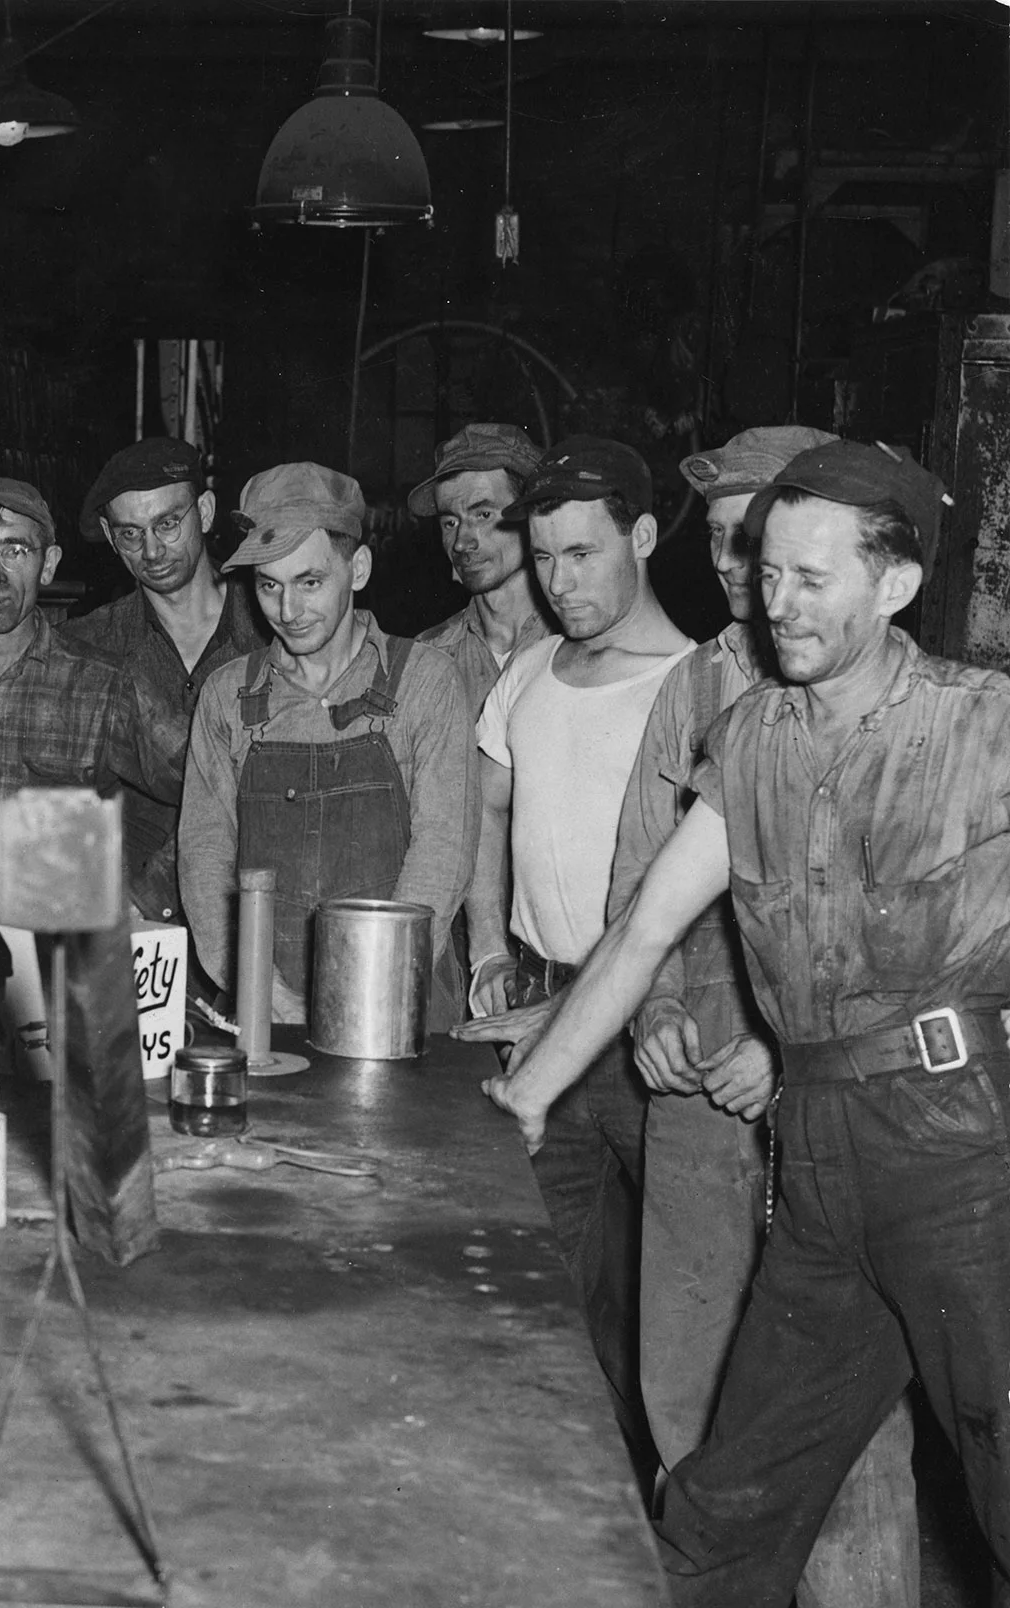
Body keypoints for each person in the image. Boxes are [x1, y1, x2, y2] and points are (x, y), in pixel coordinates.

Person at [470, 442, 992, 1608]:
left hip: (960, 1157)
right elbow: (643, 931)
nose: (774, 600)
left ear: (894, 585)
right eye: (764, 571)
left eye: (811, 579)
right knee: (722, 1504)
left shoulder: (982, 728)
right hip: (820, 1158)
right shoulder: (750, 737)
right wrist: (531, 1092)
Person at [609, 426, 915, 1603]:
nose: (746, 572)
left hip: (837, 1106)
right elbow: (643, 889)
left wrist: (779, 1053)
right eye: (733, 545)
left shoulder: (898, 702)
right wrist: (649, 1018)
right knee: (684, 1401)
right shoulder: (692, 684)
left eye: (770, 546)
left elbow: (901, 941)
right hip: (693, 1100)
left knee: (843, 1439)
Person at [466, 435, 692, 1475]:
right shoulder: (523, 674)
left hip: (654, 1041)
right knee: (531, 1295)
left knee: (671, 1311)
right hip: (536, 1022)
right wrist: (481, 947)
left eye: (582, 554)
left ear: (641, 538)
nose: (559, 583)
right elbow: (486, 817)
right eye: (544, 558)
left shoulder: (694, 687)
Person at [179, 463, 474, 1028]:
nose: (287, 612)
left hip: (396, 997)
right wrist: (262, 990)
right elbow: (205, 858)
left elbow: (443, 856)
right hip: (265, 1002)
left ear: (357, 568)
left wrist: (366, 993)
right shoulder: (227, 696)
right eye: (269, 586)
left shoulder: (424, 681)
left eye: (309, 582)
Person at [0, 477, 177, 921]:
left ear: (48, 565)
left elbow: (209, 787)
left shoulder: (105, 684)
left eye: (15, 550)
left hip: (57, 962)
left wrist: (145, 895)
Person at [60, 438, 267, 925]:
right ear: (111, 538)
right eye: (130, 534)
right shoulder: (85, 647)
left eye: (168, 524)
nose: (152, 551)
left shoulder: (272, 629)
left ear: (207, 511)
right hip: (127, 924)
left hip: (252, 913)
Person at [411, 422, 555, 724]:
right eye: (450, 522)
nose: (462, 542)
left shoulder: (577, 644)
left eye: (483, 515)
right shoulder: (425, 658)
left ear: (532, 516)